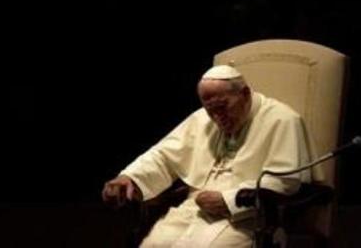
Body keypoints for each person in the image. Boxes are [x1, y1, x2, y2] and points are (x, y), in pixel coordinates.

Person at [102, 64, 321, 247]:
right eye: (210, 110)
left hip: (247, 217)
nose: (218, 118)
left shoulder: (282, 120)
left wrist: (229, 200)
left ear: (244, 94)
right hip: (193, 208)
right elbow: (163, 156)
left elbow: (285, 181)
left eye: (223, 107)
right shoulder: (204, 119)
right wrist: (129, 178)